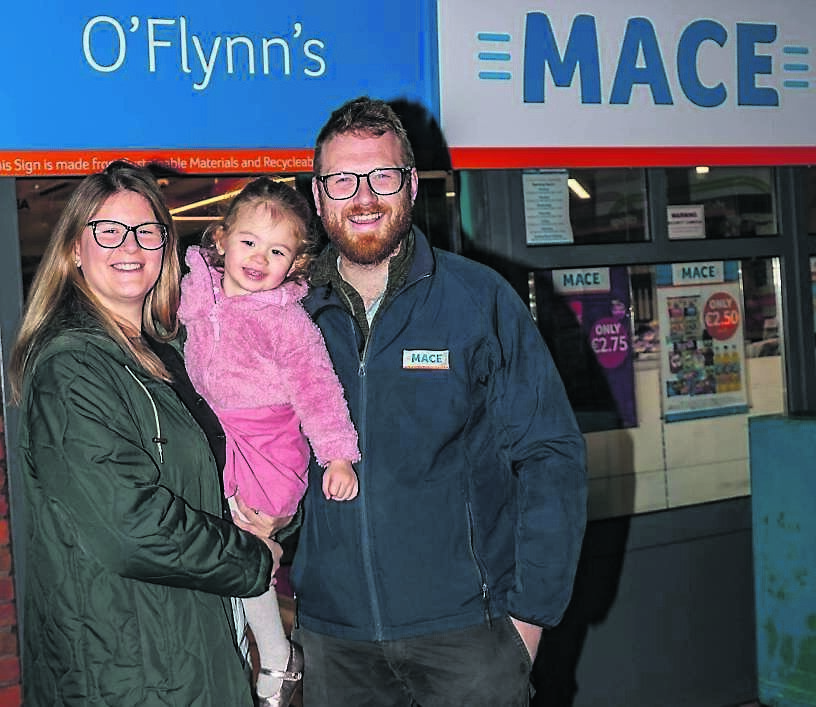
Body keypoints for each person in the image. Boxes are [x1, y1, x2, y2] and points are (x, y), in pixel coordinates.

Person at [287, 96, 588, 706]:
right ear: (318, 197)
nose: (363, 197)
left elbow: (550, 455)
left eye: (382, 176)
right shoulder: (288, 315)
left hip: (468, 638)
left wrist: (527, 620)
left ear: (412, 186)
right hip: (335, 645)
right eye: (343, 179)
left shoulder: (478, 300)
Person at [8, 160, 279, 706]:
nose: (129, 246)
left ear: (164, 247)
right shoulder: (72, 368)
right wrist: (252, 559)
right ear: (73, 250)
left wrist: (272, 513)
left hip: (193, 640)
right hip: (128, 668)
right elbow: (129, 528)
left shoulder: (171, 350)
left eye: (146, 231)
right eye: (107, 231)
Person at [178, 176, 360, 706]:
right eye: (249, 241)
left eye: (277, 250)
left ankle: (278, 657)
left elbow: (319, 389)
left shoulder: (286, 321)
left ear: (296, 263)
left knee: (247, 543)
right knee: (221, 543)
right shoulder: (195, 290)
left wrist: (338, 456)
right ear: (221, 239)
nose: (259, 258)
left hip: (267, 445)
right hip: (216, 437)